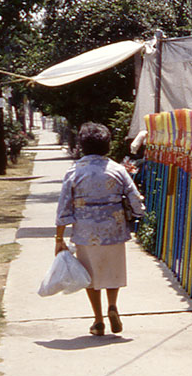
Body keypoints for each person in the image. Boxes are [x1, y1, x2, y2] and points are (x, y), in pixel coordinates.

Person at [54, 122, 145, 336]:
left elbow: (64, 206)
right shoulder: (118, 169)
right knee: (112, 272)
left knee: (90, 276)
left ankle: (98, 320)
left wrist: (59, 238)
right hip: (114, 228)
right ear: (107, 145)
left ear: (82, 146)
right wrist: (139, 215)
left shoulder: (74, 172)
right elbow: (135, 199)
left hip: (86, 233)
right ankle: (113, 306)